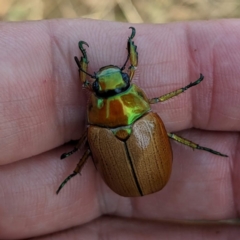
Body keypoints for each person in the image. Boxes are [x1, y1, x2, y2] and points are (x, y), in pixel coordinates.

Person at [0, 20, 239, 239]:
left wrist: (87, 59)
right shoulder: (140, 116)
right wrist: (184, 86)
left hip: (124, 179)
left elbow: (85, 91)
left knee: (85, 150)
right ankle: (199, 148)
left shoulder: (93, 130)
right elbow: (160, 90)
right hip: (134, 178)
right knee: (169, 134)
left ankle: (74, 173)